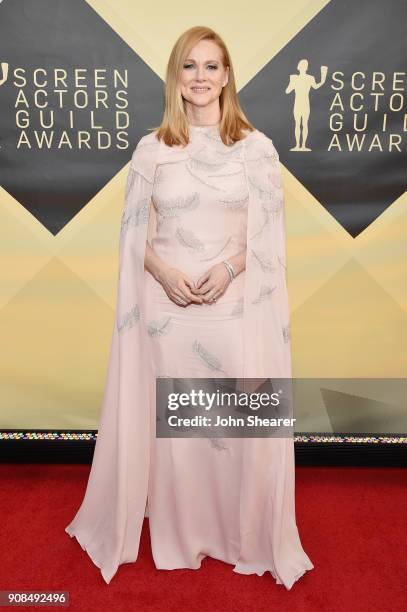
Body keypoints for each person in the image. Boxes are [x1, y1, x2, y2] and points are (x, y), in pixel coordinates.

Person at [65, 25, 314, 590]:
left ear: (227, 77)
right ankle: (181, 536)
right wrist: (166, 274)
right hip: (168, 307)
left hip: (234, 306)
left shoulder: (258, 148)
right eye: (189, 66)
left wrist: (226, 270)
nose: (200, 77)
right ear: (175, 78)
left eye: (212, 66)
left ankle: (241, 532)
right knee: (177, 433)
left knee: (234, 424)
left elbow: (266, 230)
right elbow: (133, 234)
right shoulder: (152, 149)